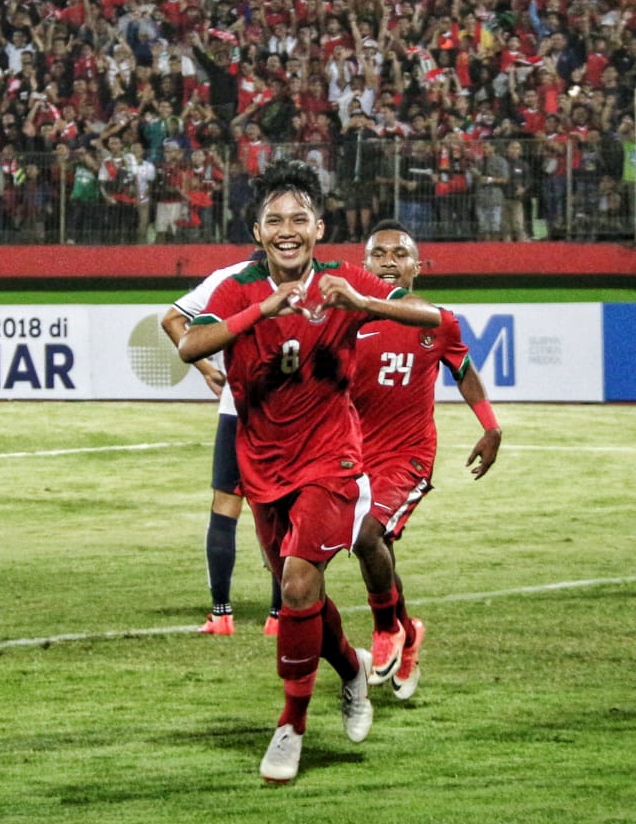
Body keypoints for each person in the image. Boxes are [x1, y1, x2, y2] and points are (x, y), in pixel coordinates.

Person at [177, 160, 441, 783]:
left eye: (300, 218)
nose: (287, 229)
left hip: (332, 460)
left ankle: (290, 726)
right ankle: (350, 670)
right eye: (275, 219)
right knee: (305, 597)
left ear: (319, 228)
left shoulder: (342, 279)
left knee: (296, 585)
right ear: (258, 230)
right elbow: (190, 345)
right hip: (262, 463)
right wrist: (261, 311)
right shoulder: (237, 286)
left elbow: (437, 320)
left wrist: (364, 299)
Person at [349, 220, 503, 702]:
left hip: (407, 456)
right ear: (364, 264)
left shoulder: (439, 322)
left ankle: (385, 631)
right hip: (355, 455)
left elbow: (465, 372)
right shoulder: (348, 320)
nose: (390, 262)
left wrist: (490, 425)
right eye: (379, 254)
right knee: (380, 549)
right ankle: (408, 632)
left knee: (366, 536)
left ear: (418, 266)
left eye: (400, 254)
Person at [161, 252, 283, 636]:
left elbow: (171, 319)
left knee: (225, 507)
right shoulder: (307, 281)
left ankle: (221, 615)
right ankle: (280, 618)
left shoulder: (228, 279)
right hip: (289, 414)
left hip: (238, 409)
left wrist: (208, 369)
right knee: (284, 511)